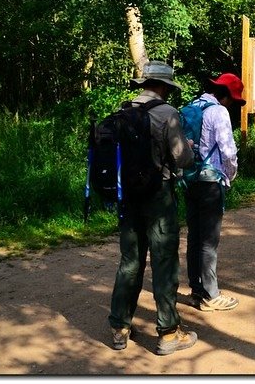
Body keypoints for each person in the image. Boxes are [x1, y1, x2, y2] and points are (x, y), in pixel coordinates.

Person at [108, 60, 198, 356]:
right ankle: (169, 333)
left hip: (128, 197)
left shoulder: (122, 112)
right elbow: (183, 159)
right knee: (163, 262)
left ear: (143, 84)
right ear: (163, 87)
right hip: (159, 195)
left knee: (130, 262)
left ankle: (120, 328)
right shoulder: (167, 114)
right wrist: (190, 148)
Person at [184, 73, 245, 312]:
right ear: (227, 96)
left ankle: (196, 290)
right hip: (210, 181)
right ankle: (211, 295)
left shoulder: (192, 106)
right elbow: (228, 151)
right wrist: (229, 175)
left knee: (194, 236)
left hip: (189, 180)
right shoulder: (219, 112)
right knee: (209, 240)